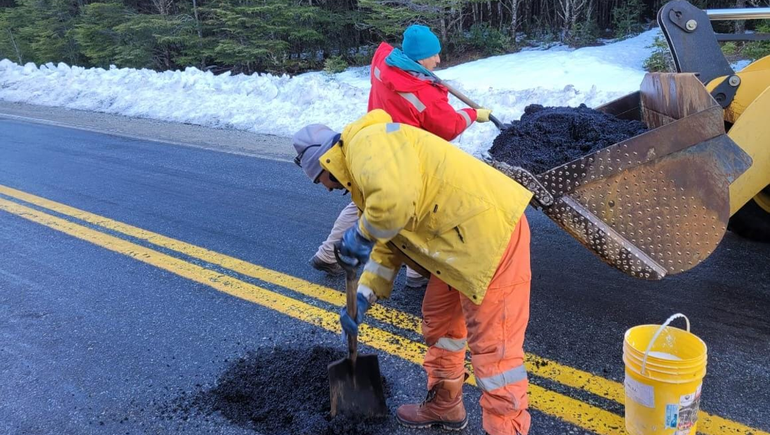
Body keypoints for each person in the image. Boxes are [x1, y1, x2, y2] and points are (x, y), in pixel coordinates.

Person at [292, 110, 532, 435]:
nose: (323, 189)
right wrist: (362, 296)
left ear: (323, 165)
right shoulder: (366, 174)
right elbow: (392, 242)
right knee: (441, 324)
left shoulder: (368, 143)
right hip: (452, 242)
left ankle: (507, 430)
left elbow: (392, 205)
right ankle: (445, 405)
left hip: (490, 235)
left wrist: (360, 235)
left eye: (317, 180)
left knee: (495, 356)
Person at [309, 24, 493, 289]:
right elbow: (448, 126)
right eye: (434, 55)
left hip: (372, 145)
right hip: (404, 155)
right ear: (420, 58)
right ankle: (417, 272)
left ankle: (328, 254)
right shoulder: (420, 90)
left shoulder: (384, 64)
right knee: (418, 207)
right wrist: (474, 115)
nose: (439, 60)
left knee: (364, 202)